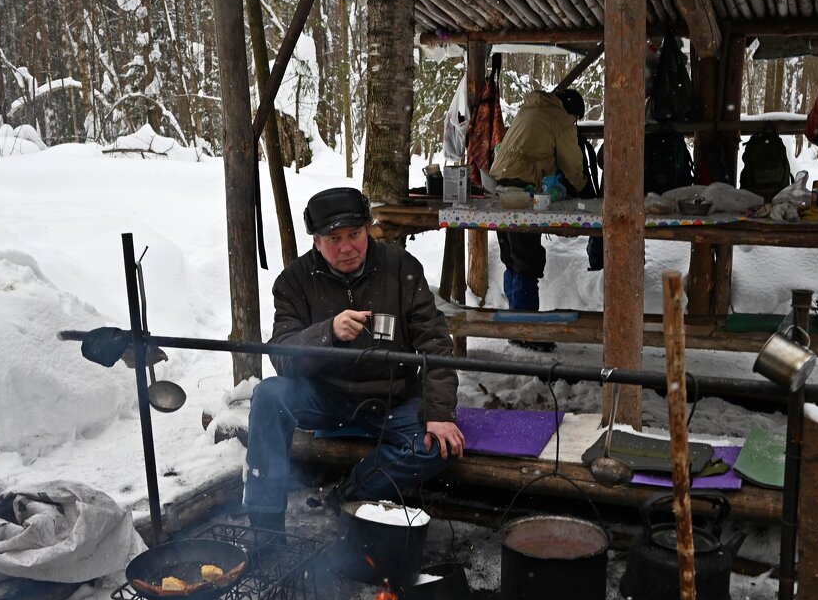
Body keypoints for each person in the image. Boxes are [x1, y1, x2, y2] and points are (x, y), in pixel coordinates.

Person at [244, 187, 466, 533]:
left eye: (355, 234)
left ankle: (349, 493)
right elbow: (283, 357)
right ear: (316, 241)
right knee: (269, 396)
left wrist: (439, 413)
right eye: (333, 239)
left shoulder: (399, 268)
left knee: (435, 448)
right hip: (324, 396)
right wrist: (327, 332)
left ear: (368, 229)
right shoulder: (294, 281)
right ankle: (265, 526)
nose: (347, 247)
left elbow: (435, 341)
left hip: (392, 397)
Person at [488, 88, 589, 351]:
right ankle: (526, 331)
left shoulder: (530, 108)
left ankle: (515, 323)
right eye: (577, 119)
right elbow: (573, 163)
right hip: (522, 190)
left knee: (512, 256)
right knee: (526, 259)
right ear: (572, 112)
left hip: (500, 186)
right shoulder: (560, 120)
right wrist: (582, 186)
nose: (575, 124)